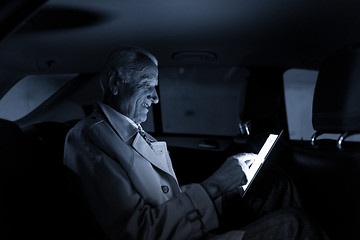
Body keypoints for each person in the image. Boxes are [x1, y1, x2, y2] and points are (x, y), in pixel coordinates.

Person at [63, 46, 328, 240]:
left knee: (273, 181)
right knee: (296, 225)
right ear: (115, 82)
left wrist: (224, 193)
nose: (155, 98)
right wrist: (215, 185)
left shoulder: (131, 132)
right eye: (147, 86)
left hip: (186, 229)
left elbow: (167, 199)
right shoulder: (89, 138)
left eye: (156, 87)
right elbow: (138, 233)